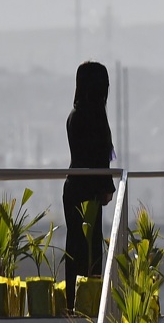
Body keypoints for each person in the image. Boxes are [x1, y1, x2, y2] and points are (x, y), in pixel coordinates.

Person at [63, 61, 116, 312]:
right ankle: (89, 305)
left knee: (76, 245)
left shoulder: (76, 114)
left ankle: (75, 304)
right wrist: (107, 187)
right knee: (91, 248)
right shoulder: (94, 116)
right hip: (88, 190)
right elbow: (98, 157)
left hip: (76, 188)